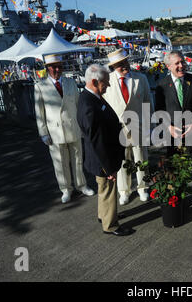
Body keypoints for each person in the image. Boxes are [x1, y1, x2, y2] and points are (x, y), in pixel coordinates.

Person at [76, 64, 133, 237]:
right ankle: (111, 225)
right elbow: (97, 140)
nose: (107, 86)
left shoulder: (90, 97)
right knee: (108, 189)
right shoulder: (89, 103)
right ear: (94, 81)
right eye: (105, 83)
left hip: (102, 156)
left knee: (103, 189)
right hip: (103, 158)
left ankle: (105, 215)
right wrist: (108, 167)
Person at [34, 54, 94, 204]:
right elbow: (39, 113)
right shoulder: (40, 86)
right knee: (60, 163)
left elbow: (79, 105)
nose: (57, 69)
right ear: (47, 68)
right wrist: (43, 133)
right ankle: (66, 189)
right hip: (55, 131)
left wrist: (83, 124)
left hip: (73, 126)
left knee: (78, 159)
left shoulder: (70, 82)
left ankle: (82, 185)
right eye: (53, 67)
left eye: (59, 66)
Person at [155, 50, 192, 213]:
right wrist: (168, 127)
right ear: (168, 66)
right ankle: (177, 198)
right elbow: (159, 111)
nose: (181, 65)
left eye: (182, 62)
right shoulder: (161, 85)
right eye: (177, 63)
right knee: (173, 170)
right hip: (173, 136)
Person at [103, 49, 152, 205]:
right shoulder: (107, 80)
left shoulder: (141, 79)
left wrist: (151, 126)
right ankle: (124, 190)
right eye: (119, 64)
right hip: (117, 129)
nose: (123, 66)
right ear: (113, 67)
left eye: (125, 62)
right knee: (122, 161)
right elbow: (103, 105)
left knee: (141, 157)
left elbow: (148, 103)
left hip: (138, 126)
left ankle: (143, 187)